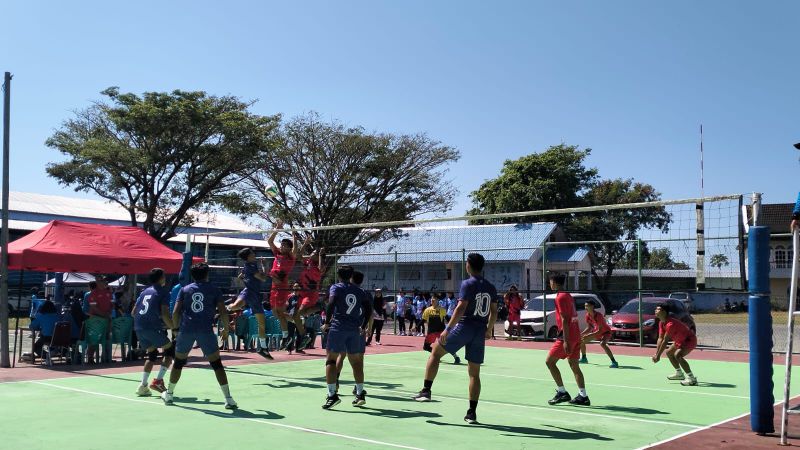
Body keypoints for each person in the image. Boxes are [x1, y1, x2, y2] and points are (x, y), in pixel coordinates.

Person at [414, 253, 498, 425]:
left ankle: (426, 390)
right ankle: (472, 413)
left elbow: (460, 308)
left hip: (464, 327)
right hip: (479, 331)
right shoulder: (490, 286)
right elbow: (494, 311)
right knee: (474, 373)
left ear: (469, 265)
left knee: (435, 352)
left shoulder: (468, 283)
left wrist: (447, 329)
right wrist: (489, 329)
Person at [162, 263, 237, 409]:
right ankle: (228, 399)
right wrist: (226, 329)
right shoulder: (214, 289)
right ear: (207, 274)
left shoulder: (184, 289)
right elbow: (223, 311)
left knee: (178, 363)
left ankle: (169, 394)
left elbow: (176, 312)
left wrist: (175, 329)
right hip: (205, 330)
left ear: (192, 275)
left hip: (186, 330)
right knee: (217, 364)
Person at [321, 266, 372, 409]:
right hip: (354, 329)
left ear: (338, 275)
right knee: (356, 362)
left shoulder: (336, 287)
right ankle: (360, 393)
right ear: (351, 276)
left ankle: (332, 395)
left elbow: (331, 303)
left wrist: (326, 322)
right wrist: (363, 325)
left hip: (338, 328)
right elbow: (368, 308)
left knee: (331, 360)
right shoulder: (359, 291)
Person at [545, 273, 590, 406]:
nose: (549, 284)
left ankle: (562, 392)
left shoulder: (561, 297)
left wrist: (565, 340)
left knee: (549, 362)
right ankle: (583, 396)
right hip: (575, 334)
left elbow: (565, 319)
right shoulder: (567, 295)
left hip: (567, 335)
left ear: (554, 282)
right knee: (574, 365)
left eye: (550, 281)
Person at [132, 268, 175, 396]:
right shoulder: (163, 292)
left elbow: (133, 312)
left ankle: (143, 385)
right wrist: (174, 328)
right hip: (151, 327)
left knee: (152, 354)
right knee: (170, 350)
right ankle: (158, 381)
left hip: (138, 327)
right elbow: (165, 314)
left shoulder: (144, 292)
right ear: (161, 278)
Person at [227, 247, 273, 360]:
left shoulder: (250, 265)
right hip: (248, 292)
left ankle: (263, 348)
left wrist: (246, 278)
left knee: (262, 323)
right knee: (235, 306)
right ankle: (223, 307)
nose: (254, 255)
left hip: (256, 295)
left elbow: (240, 276)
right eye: (252, 253)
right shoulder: (250, 266)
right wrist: (266, 266)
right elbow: (263, 278)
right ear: (248, 257)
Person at [267, 220, 300, 349]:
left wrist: (294, 237)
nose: (282, 246)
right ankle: (296, 320)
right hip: (273, 286)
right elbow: (270, 241)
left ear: (289, 248)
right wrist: (277, 228)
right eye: (282, 244)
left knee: (280, 313)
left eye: (285, 245)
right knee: (275, 313)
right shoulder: (277, 254)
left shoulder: (290, 258)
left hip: (281, 286)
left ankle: (286, 336)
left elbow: (295, 250)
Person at [652, 302, 698, 386]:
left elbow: (665, 341)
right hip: (680, 341)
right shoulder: (661, 322)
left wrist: (658, 356)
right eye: (656, 309)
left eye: (658, 309)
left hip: (689, 340)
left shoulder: (670, 324)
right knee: (669, 352)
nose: (655, 311)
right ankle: (679, 374)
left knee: (678, 355)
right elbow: (660, 338)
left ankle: (692, 378)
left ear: (664, 312)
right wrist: (656, 353)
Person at [292, 244, 325, 351]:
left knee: (299, 313)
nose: (311, 254)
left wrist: (320, 255)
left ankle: (319, 307)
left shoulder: (319, 265)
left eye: (314, 253)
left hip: (311, 294)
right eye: (312, 252)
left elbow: (321, 269)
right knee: (295, 316)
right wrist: (305, 243)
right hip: (303, 293)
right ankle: (304, 335)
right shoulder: (308, 262)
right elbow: (298, 255)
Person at [422, 293, 461, 364]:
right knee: (426, 347)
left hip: (440, 331)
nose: (432, 300)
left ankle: (456, 357)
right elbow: (423, 320)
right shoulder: (427, 310)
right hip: (431, 332)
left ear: (437, 300)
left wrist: (452, 326)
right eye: (431, 299)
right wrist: (416, 327)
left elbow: (448, 319)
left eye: (434, 299)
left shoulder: (442, 310)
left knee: (446, 345)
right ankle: (435, 354)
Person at [579, 299, 618, 368]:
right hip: (597, 332)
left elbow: (600, 330)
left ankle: (614, 362)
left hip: (606, 332)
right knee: (582, 341)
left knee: (602, 344)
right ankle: (584, 358)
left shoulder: (599, 315)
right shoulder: (587, 315)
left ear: (592, 306)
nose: (585, 308)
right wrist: (581, 334)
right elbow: (589, 328)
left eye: (587, 306)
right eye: (585, 306)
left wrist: (589, 335)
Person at [86, 276, 113, 363]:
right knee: (94, 339)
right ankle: (90, 358)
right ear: (97, 282)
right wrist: (103, 315)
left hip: (106, 319)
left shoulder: (109, 292)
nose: (104, 282)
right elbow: (93, 307)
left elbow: (112, 304)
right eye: (102, 280)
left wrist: (109, 312)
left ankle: (106, 358)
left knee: (107, 338)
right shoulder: (93, 293)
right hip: (96, 320)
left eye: (105, 280)